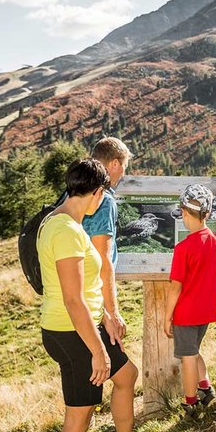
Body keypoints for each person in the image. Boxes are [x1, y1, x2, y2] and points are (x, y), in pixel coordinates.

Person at [38, 159, 158, 432]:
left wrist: (105, 313)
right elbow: (72, 300)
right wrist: (98, 351)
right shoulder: (66, 231)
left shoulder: (63, 223)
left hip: (84, 325)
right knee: (77, 421)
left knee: (126, 375)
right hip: (72, 332)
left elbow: (84, 290)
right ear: (98, 192)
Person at [164, 184, 216, 419]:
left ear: (184, 213)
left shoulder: (183, 247)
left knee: (187, 358)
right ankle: (206, 389)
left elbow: (175, 286)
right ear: (207, 214)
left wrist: (167, 316)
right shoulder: (215, 242)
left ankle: (191, 405)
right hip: (205, 312)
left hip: (186, 314)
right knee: (194, 351)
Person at [83, 137, 132, 349]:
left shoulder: (76, 191)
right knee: (122, 374)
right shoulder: (104, 200)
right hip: (93, 302)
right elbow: (102, 259)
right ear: (114, 164)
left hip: (73, 293)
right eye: (124, 167)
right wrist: (111, 312)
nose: (123, 174)